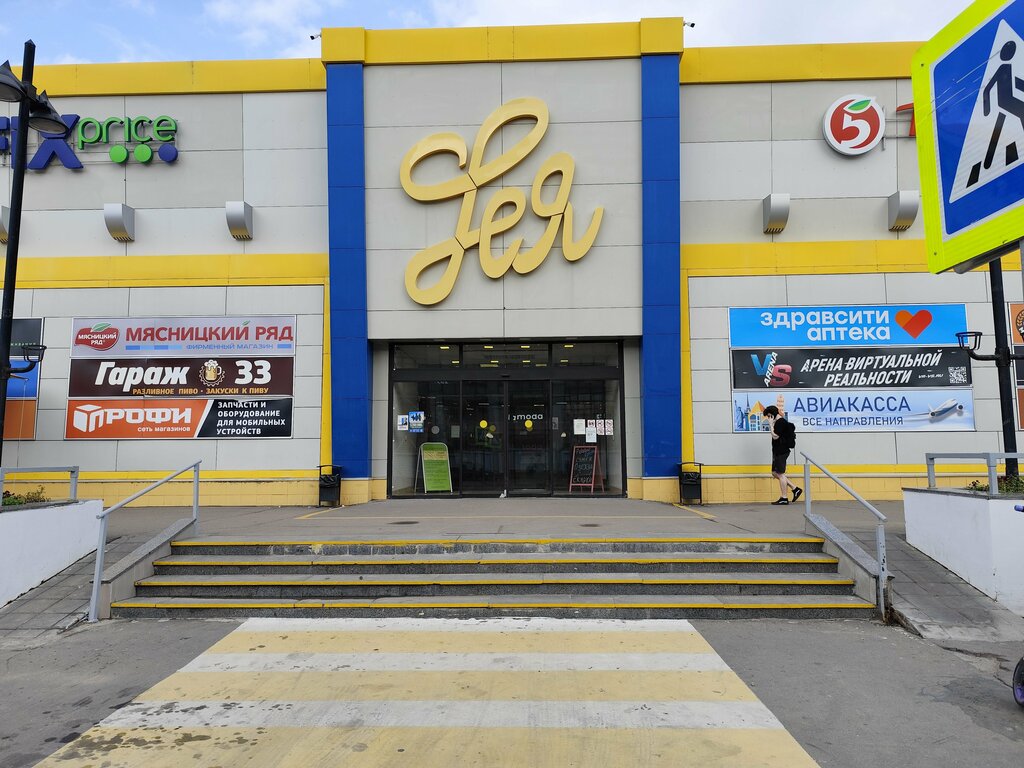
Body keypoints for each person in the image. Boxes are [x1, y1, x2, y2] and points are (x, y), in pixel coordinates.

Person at [762, 405, 802, 505]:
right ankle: (795, 488)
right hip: (777, 451)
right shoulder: (778, 422)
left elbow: (775, 436)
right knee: (774, 473)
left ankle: (784, 498)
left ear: (773, 415)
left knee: (780, 474)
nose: (768, 418)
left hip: (781, 451)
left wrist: (770, 425)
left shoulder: (780, 422)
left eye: (769, 416)